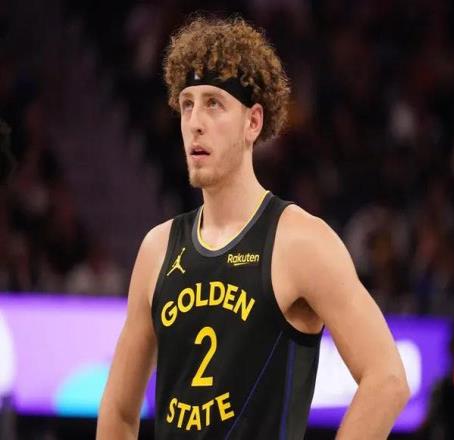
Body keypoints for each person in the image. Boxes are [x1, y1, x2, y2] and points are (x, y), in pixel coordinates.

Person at [96, 16, 409, 439]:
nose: (195, 122)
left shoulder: (299, 241)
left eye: (213, 103)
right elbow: (118, 411)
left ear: (253, 122)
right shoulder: (158, 248)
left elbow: (387, 378)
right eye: (187, 104)